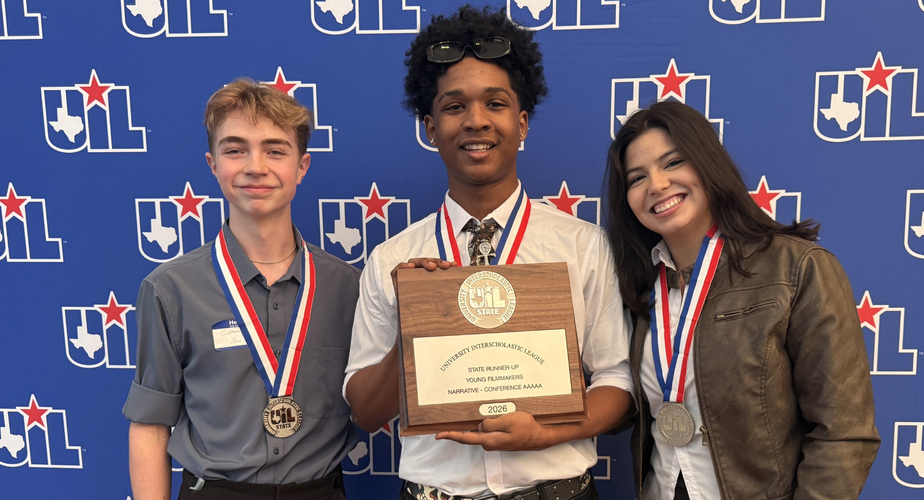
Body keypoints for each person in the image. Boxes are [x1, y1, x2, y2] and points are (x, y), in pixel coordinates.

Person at [344, 6, 633, 500]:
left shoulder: (583, 245)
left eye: (495, 104)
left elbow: (617, 382)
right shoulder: (393, 260)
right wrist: (413, 323)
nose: (476, 121)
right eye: (454, 107)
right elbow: (366, 413)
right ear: (430, 128)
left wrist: (546, 433)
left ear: (521, 123)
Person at [604, 100, 880, 499]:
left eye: (673, 162)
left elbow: (844, 434)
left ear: (707, 164)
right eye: (637, 178)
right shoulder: (635, 286)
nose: (657, 185)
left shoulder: (797, 267)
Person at [124, 79, 359, 500]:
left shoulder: (348, 286)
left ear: (301, 166)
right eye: (235, 150)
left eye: (275, 150)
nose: (255, 166)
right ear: (213, 164)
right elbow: (150, 424)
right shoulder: (170, 289)